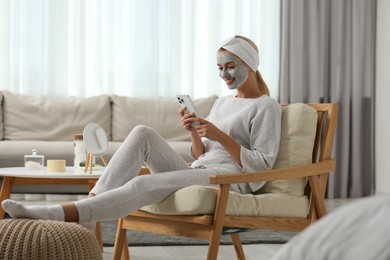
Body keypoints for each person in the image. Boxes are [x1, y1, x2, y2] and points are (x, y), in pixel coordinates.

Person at [1, 35, 282, 229]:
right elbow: (200, 155)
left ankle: (64, 213)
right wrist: (196, 132)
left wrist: (220, 135)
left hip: (228, 179)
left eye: (230, 66)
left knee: (140, 184)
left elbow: (262, 164)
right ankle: (90, 206)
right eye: (220, 68)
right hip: (201, 168)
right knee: (142, 132)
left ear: (250, 65)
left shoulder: (266, 106)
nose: (224, 74)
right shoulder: (223, 103)